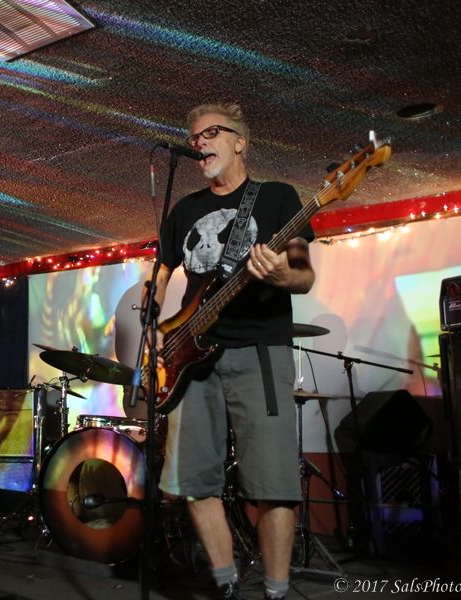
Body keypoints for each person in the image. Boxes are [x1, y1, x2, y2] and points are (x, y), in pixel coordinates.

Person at [149, 103, 315, 600]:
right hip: (190, 360)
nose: (199, 142)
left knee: (273, 483)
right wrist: (152, 323)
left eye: (211, 133)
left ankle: (276, 591)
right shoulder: (184, 210)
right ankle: (226, 585)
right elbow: (162, 273)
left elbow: (303, 274)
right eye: (194, 136)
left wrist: (281, 274)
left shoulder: (278, 197)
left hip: (258, 351)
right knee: (193, 480)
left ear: (240, 142)